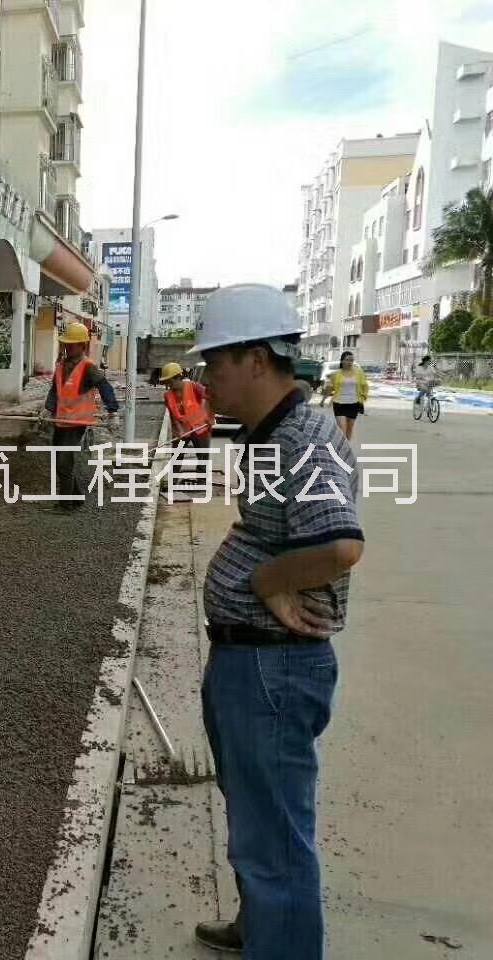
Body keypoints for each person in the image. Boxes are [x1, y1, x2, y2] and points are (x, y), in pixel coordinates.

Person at [190, 284, 364, 960]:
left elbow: (341, 544)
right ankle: (261, 926)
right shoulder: (273, 433)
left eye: (216, 364)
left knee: (275, 833)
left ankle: (282, 943)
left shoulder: (307, 439)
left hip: (275, 666)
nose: (205, 379)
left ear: (258, 359)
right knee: (255, 815)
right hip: (250, 660)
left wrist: (264, 581)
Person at [42, 322, 119, 510]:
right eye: (66, 344)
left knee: (63, 463)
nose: (67, 347)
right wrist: (48, 409)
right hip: (60, 421)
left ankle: (65, 506)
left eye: (72, 344)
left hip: (77, 422)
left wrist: (112, 412)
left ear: (82, 345)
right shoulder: (61, 366)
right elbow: (55, 391)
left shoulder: (88, 368)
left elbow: (105, 387)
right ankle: (76, 498)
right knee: (59, 462)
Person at [159, 361, 214, 448]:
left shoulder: (194, 387)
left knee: (203, 458)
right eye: (166, 382)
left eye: (170, 382)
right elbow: (173, 416)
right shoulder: (168, 396)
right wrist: (179, 430)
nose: (168, 385)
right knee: (176, 459)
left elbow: (210, 397)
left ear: (178, 378)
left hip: (200, 429)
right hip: (182, 431)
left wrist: (209, 416)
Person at [319, 350, 369, 441]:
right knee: (342, 428)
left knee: (350, 427)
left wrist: (364, 395)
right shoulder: (336, 374)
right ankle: (343, 446)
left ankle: (346, 447)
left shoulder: (359, 373)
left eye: (352, 360)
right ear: (342, 361)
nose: (350, 362)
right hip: (339, 404)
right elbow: (329, 388)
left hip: (354, 404)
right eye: (347, 360)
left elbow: (364, 385)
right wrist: (323, 400)